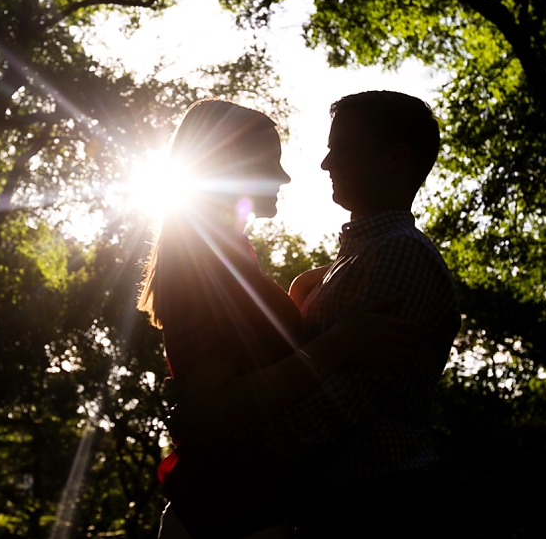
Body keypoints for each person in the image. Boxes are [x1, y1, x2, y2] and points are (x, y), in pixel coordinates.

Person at [137, 98, 425, 539]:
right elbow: (216, 409)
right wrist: (336, 345)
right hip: (226, 510)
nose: (285, 176)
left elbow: (244, 349)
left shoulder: (229, 255)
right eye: (271, 162)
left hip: (241, 505)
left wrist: (292, 301)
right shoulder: (206, 262)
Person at [261, 90, 462, 537]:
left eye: (343, 148)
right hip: (340, 503)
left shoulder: (401, 255)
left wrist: (231, 426)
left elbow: (339, 404)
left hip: (376, 506)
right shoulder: (357, 259)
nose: (326, 164)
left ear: (395, 158)